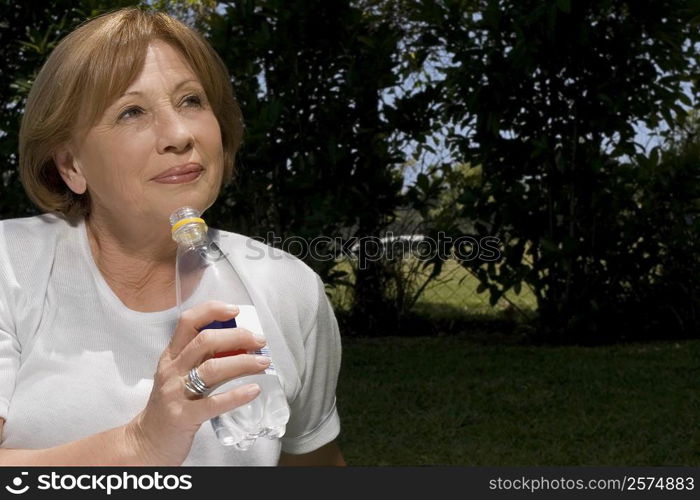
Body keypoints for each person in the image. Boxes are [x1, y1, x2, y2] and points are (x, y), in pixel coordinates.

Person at [0, 6, 345, 466]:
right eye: (131, 112)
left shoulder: (288, 287)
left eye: (191, 101)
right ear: (71, 166)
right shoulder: (11, 266)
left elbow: (315, 468)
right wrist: (139, 444)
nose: (179, 134)